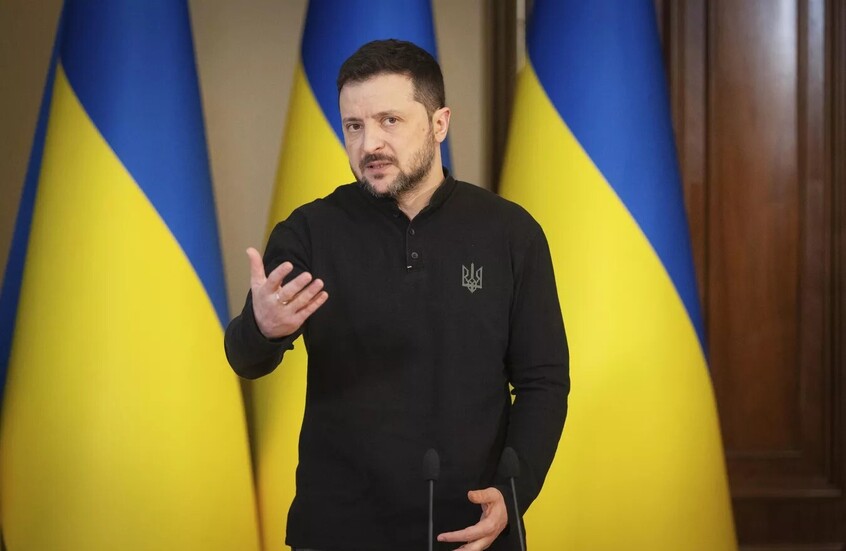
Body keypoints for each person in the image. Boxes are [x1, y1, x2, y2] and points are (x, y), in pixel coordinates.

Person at [225, 39, 569, 551]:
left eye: (390, 121)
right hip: (338, 530)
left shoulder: (511, 233)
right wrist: (263, 329)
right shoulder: (309, 232)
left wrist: (512, 493)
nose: (370, 144)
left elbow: (543, 382)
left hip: (473, 528)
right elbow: (247, 360)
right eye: (354, 126)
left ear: (439, 123)